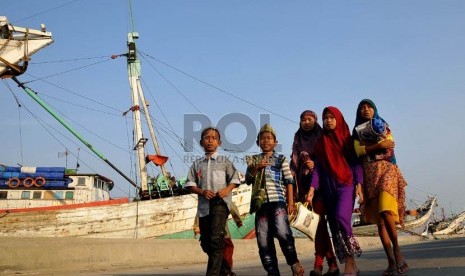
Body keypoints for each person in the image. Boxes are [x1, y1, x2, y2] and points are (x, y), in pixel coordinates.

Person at [352, 99, 408, 275]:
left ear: (374, 109)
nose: (365, 109)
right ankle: (391, 261)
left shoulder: (383, 125)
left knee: (385, 211)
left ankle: (397, 250)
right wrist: (377, 145)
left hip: (387, 169)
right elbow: (357, 152)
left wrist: (370, 148)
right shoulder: (356, 132)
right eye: (362, 107)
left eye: (368, 106)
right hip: (369, 174)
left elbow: (389, 146)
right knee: (380, 221)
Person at [306, 106, 364, 276]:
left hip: (346, 185)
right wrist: (311, 189)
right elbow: (317, 169)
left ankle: (350, 263)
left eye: (332, 117)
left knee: (341, 218)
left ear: (338, 119)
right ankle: (351, 263)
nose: (328, 120)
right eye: (326, 118)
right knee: (335, 226)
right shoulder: (321, 143)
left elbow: (355, 163)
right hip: (328, 189)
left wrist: (359, 184)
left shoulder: (347, 139)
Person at [245, 124, 304, 276]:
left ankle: (293, 261)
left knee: (283, 233)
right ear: (258, 143)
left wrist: (290, 203)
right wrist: (257, 168)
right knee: (263, 239)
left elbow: (289, 181)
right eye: (262, 139)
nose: (266, 141)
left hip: (278, 201)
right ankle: (272, 271)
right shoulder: (253, 161)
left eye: (269, 138)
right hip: (260, 204)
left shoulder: (280, 159)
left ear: (275, 143)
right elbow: (248, 180)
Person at [185, 127, 241, 276]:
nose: (210, 141)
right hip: (204, 206)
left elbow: (235, 179)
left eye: (214, 138)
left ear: (219, 142)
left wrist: (226, 190)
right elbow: (190, 184)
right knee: (206, 243)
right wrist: (201, 191)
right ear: (201, 142)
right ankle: (226, 271)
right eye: (207, 138)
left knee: (216, 238)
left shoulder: (224, 161)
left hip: (220, 204)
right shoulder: (197, 164)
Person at [290, 110, 339, 276]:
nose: (306, 122)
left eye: (309, 119)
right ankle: (331, 264)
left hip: (322, 185)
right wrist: (292, 184)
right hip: (304, 187)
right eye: (303, 119)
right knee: (318, 225)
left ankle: (320, 264)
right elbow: (294, 161)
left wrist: (315, 163)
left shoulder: (322, 136)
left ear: (315, 120)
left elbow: (328, 157)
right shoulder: (298, 138)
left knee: (319, 224)